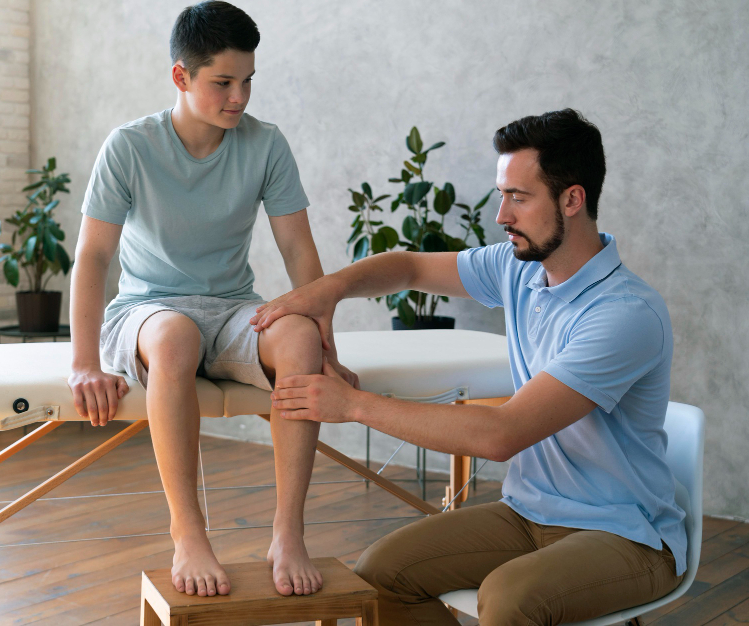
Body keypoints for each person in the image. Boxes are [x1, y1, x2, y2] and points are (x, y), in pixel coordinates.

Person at [251, 109, 687, 625]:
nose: (502, 215)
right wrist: (330, 290)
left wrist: (353, 405)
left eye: (519, 198)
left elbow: (501, 434)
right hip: (529, 514)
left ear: (573, 199)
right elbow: (410, 266)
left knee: (509, 598)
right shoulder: (518, 269)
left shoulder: (623, 314)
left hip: (628, 535)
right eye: (502, 194)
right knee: (383, 573)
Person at [68, 1, 358, 599]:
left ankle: (288, 532)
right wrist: (84, 362)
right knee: (175, 337)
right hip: (148, 311)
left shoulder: (265, 145)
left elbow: (300, 252)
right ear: (182, 77)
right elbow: (94, 257)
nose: (240, 97)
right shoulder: (129, 146)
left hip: (230, 309)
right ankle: (189, 531)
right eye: (223, 82)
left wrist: (326, 342)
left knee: (298, 335)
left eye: (247, 80)